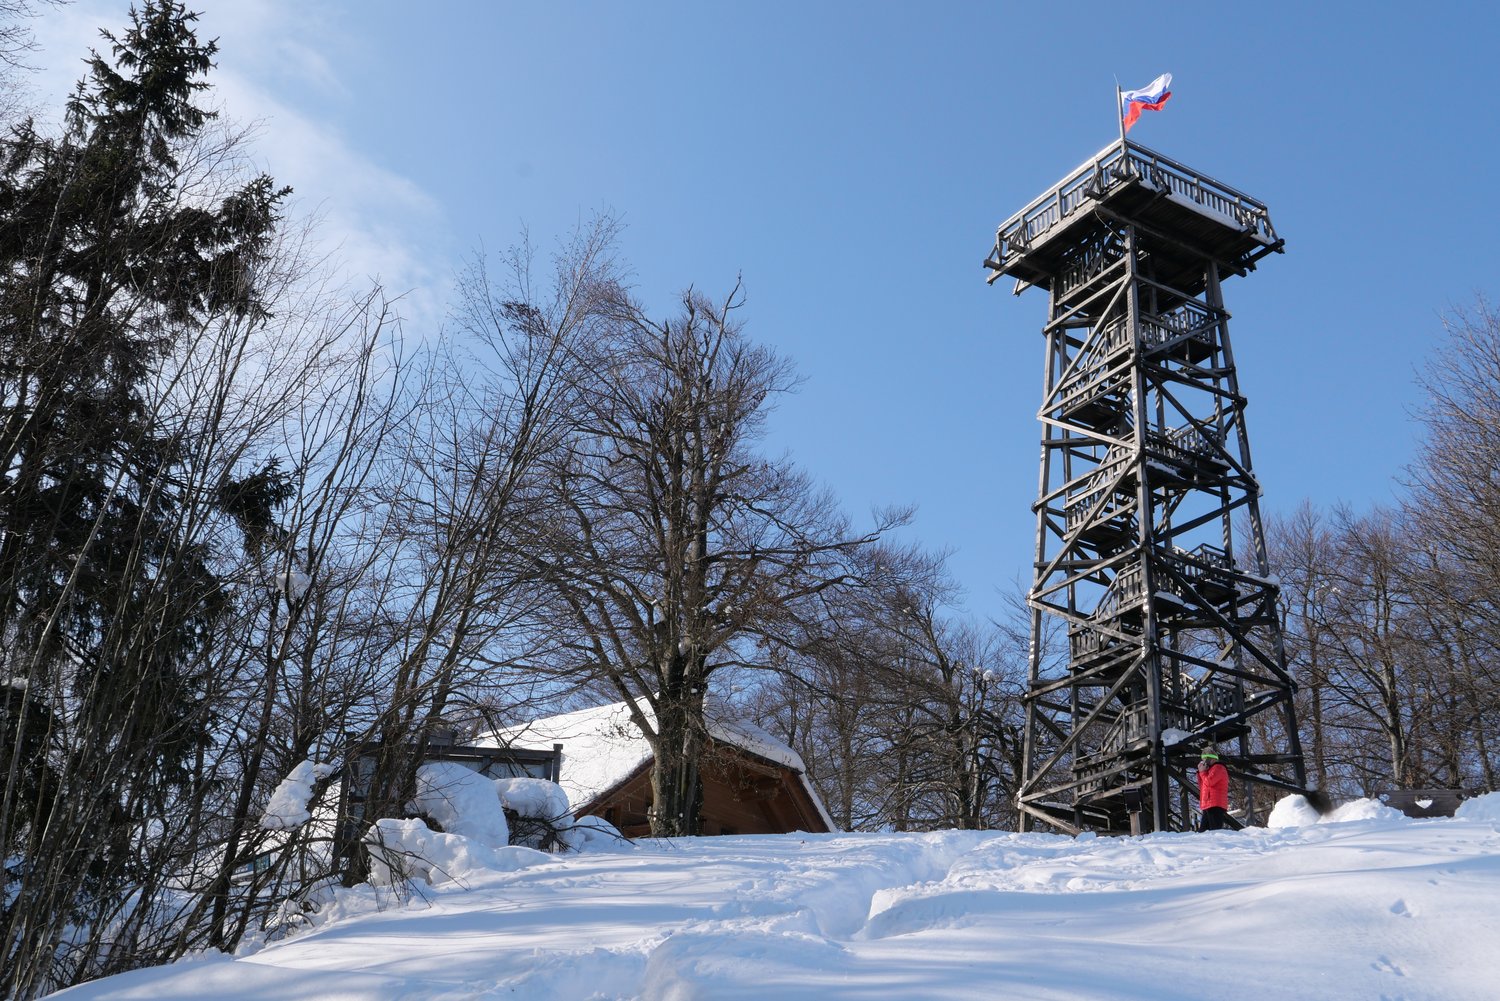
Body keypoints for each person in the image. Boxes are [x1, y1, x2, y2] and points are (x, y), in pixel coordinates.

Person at [1196, 750, 1240, 831]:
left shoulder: (1218, 767)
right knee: (1203, 832)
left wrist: (1202, 772)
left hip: (1215, 804)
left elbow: (1209, 782)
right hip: (1208, 803)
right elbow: (1202, 785)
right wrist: (1200, 772)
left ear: (1212, 759)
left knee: (1215, 830)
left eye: (1206, 759)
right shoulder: (1210, 770)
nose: (1204, 762)